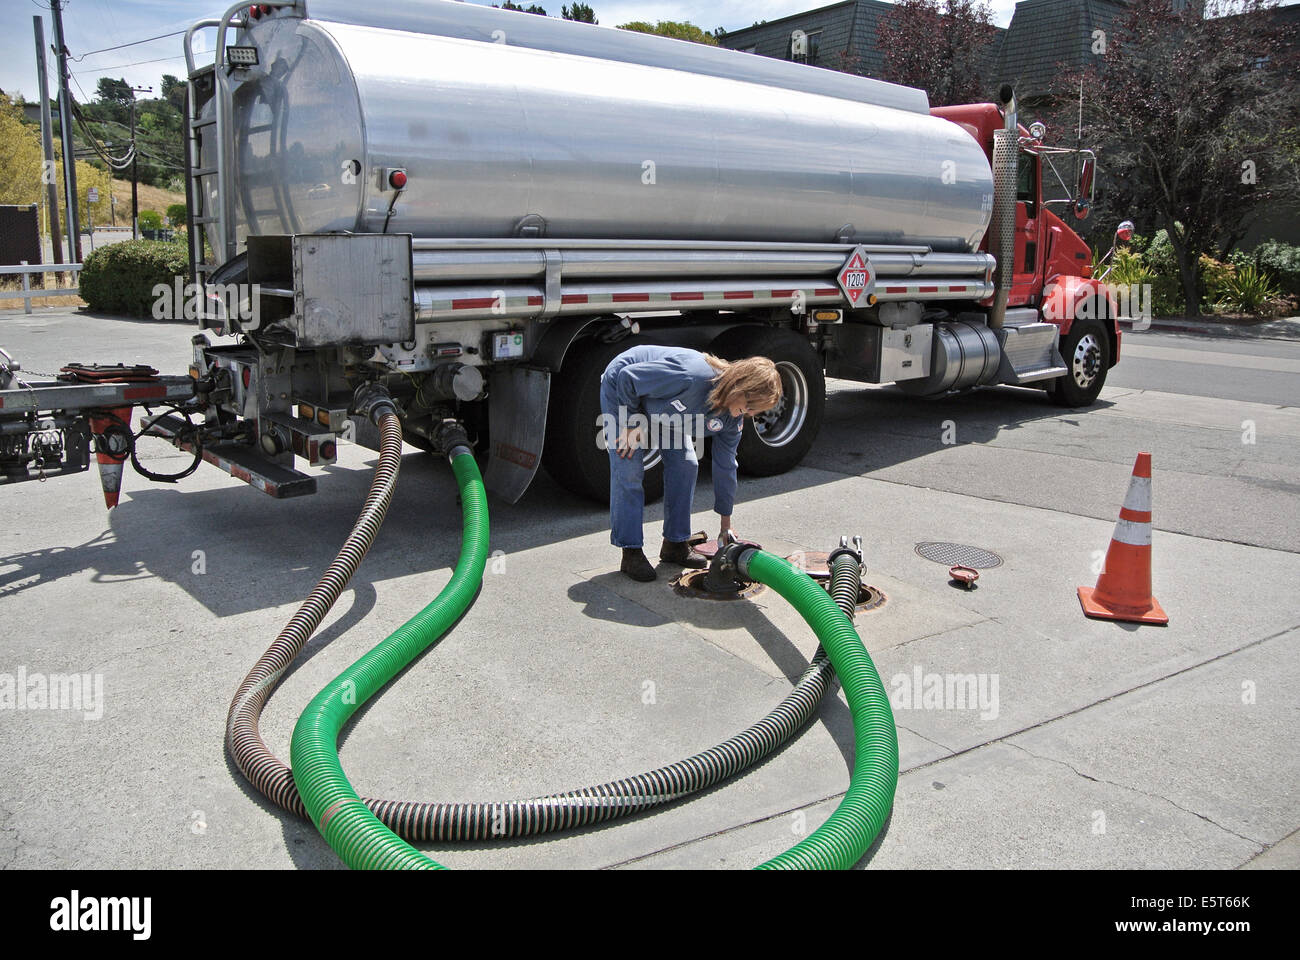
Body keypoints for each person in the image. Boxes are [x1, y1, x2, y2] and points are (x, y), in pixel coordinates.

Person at [599, 345, 783, 582]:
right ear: (739, 386)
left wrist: (725, 524)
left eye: (753, 412)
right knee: (629, 467)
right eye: (748, 405)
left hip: (666, 406)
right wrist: (630, 423)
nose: (744, 414)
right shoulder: (691, 376)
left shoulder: (731, 418)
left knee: (686, 464)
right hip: (624, 386)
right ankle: (631, 551)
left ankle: (674, 544)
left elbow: (726, 466)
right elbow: (628, 378)